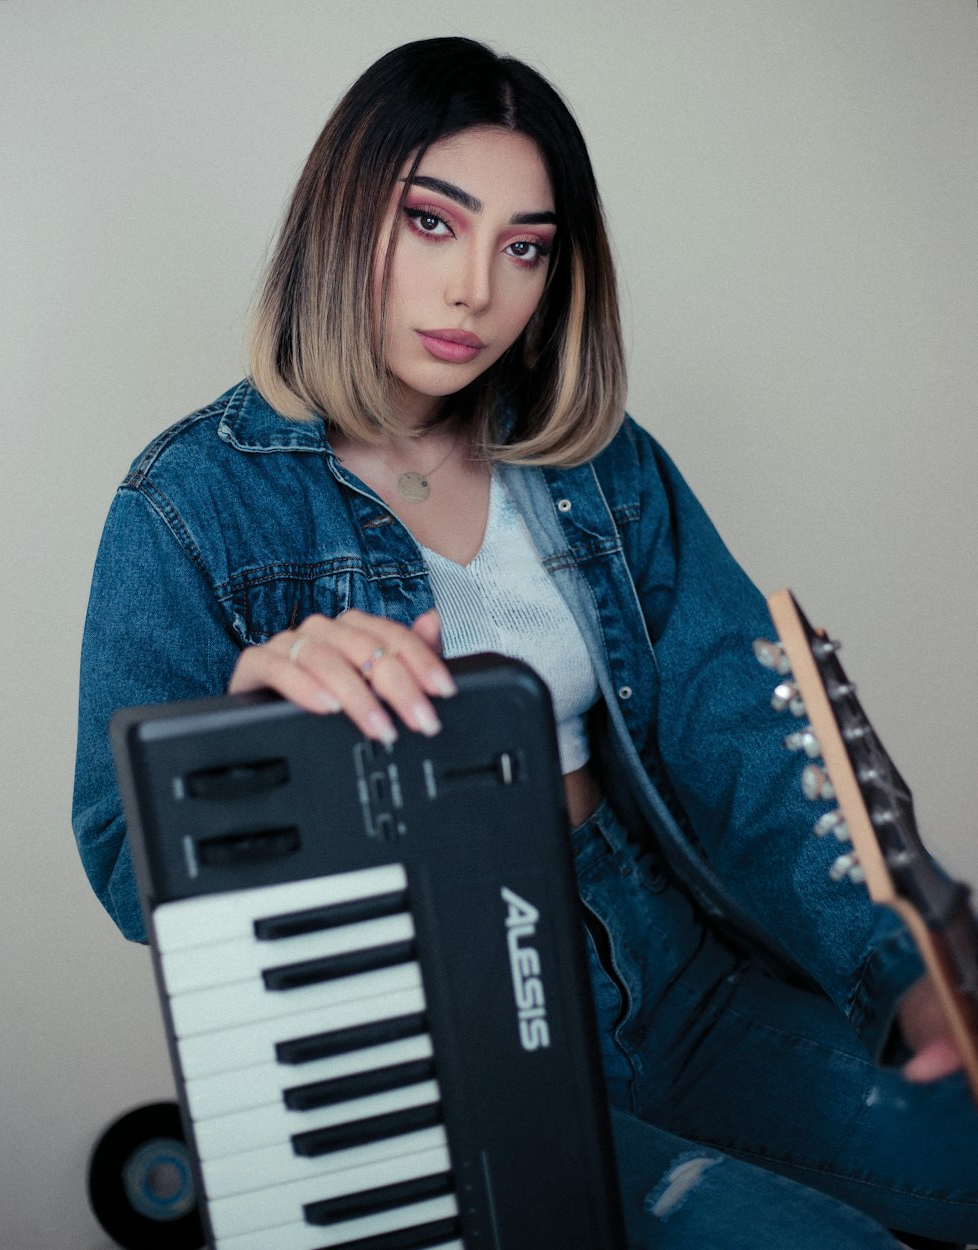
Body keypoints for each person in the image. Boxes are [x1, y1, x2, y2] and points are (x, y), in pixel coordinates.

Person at [73, 36, 977, 1249]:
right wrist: (247, 739)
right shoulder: (189, 502)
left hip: (666, 972)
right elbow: (123, 855)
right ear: (342, 216)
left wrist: (898, 964)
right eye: (432, 223)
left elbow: (742, 731)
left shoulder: (600, 464)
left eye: (524, 247)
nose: (474, 293)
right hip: (442, 1038)